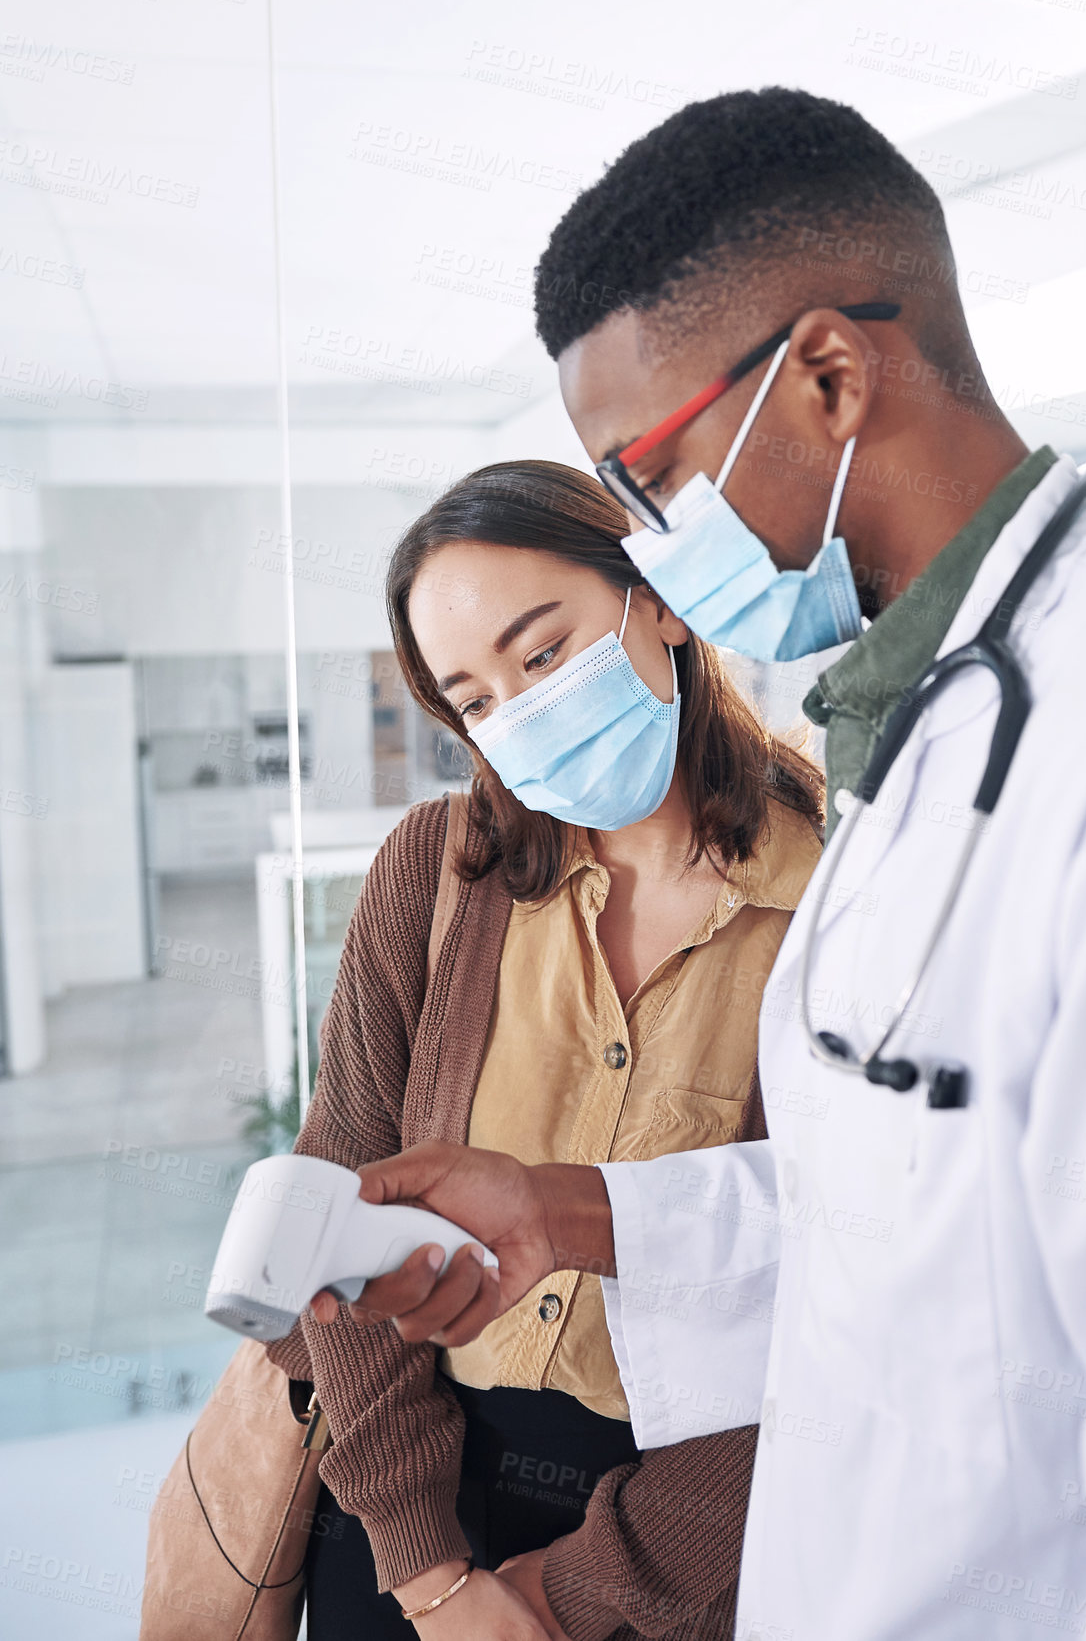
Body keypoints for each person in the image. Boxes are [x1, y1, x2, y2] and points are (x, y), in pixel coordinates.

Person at [317, 89, 1086, 1640]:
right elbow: (894, 1215)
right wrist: (566, 1212)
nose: (649, 542)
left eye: (649, 477)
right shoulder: (920, 725)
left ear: (827, 376)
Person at [268, 459, 824, 1638]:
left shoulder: (840, 897)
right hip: (405, 1499)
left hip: (687, 1531)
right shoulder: (434, 871)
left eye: (542, 654)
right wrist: (429, 1573)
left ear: (659, 603)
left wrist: (568, 1592)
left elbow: (840, 1297)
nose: (516, 714)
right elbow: (337, 1201)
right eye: (473, 699)